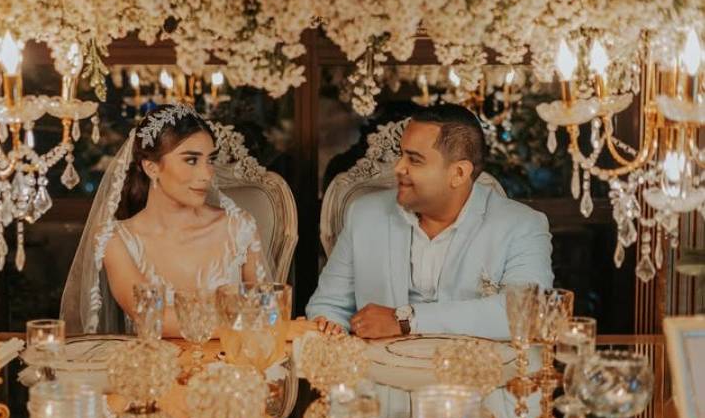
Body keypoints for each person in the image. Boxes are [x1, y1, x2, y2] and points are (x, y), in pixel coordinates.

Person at [306, 104, 553, 339]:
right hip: (380, 377)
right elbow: (328, 305)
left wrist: (404, 320)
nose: (398, 168)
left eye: (414, 160)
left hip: (474, 378)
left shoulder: (522, 226)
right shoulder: (364, 214)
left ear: (458, 173)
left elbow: (527, 312)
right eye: (402, 155)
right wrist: (329, 325)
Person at [60, 104, 271, 336]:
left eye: (210, 160)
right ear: (151, 167)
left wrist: (256, 317)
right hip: (155, 369)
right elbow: (152, 318)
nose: (207, 174)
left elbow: (270, 310)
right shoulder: (115, 240)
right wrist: (243, 319)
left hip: (231, 369)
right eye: (191, 160)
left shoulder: (239, 228)